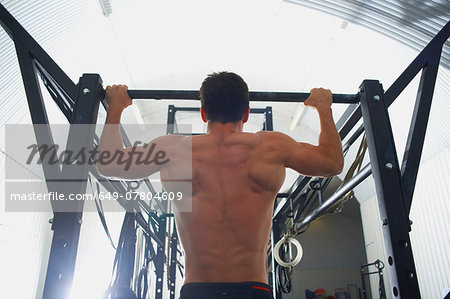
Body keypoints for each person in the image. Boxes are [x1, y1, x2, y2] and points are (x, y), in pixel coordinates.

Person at [97, 72, 344, 299]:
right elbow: (332, 162)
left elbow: (108, 164)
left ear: (204, 114)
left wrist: (116, 107)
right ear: (246, 114)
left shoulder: (171, 150)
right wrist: (323, 108)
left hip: (197, 290)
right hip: (254, 289)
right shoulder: (274, 147)